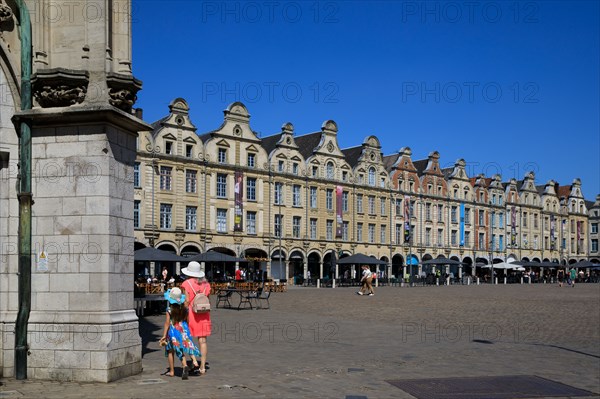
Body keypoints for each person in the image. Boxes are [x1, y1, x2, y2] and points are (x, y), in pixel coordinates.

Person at [160, 287, 200, 379]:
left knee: (170, 351)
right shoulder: (185, 309)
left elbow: (167, 323)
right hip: (183, 329)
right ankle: (189, 363)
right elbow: (187, 320)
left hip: (173, 331)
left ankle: (172, 371)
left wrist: (164, 335)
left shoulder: (169, 310)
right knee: (184, 346)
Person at [181, 261, 211, 375]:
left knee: (187, 338)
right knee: (203, 341)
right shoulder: (207, 284)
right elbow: (208, 299)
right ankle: (203, 366)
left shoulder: (186, 283)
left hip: (192, 314)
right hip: (204, 314)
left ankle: (194, 361)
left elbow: (186, 301)